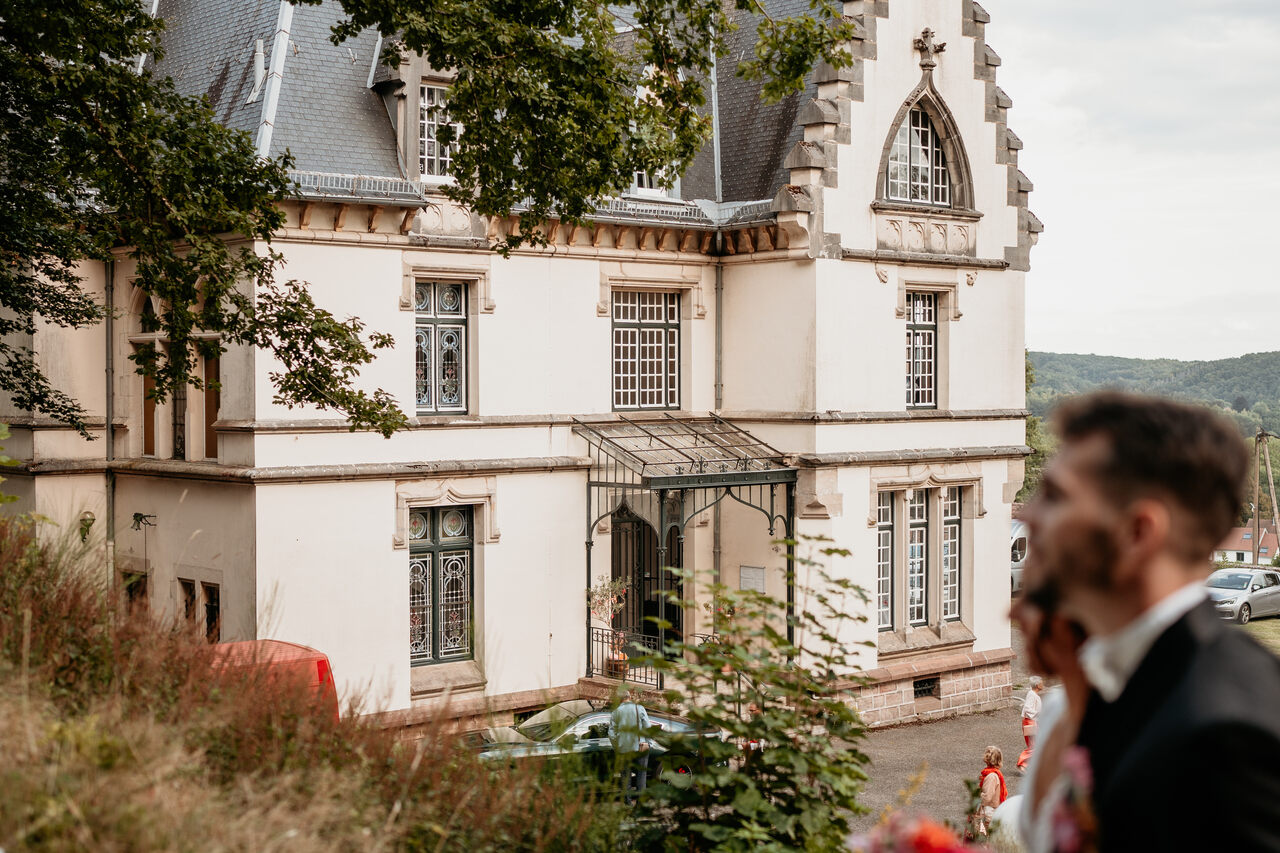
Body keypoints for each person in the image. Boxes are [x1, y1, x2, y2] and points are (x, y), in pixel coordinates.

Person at [1021, 391, 1280, 852]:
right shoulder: (1106, 683)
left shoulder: (1224, 735)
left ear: (1138, 533)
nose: (1026, 513)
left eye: (1056, 497)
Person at [609, 686, 652, 801]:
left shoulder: (615, 712)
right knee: (641, 778)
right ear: (630, 697)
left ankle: (627, 804)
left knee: (625, 779)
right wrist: (649, 743)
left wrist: (617, 746)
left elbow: (612, 734)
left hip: (623, 750)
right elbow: (648, 727)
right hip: (640, 747)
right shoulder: (639, 708)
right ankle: (640, 805)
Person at [976, 745, 1008, 836]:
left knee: (984, 840)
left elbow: (987, 797)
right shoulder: (994, 774)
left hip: (988, 813)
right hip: (991, 812)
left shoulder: (991, 777)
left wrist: (976, 795)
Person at [1016, 675, 1044, 771]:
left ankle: (1029, 766)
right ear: (1037, 685)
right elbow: (1028, 708)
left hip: (1031, 721)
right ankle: (1022, 763)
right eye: (1041, 682)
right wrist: (1039, 714)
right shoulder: (1032, 695)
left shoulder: (1032, 694)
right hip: (1030, 722)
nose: (1043, 684)